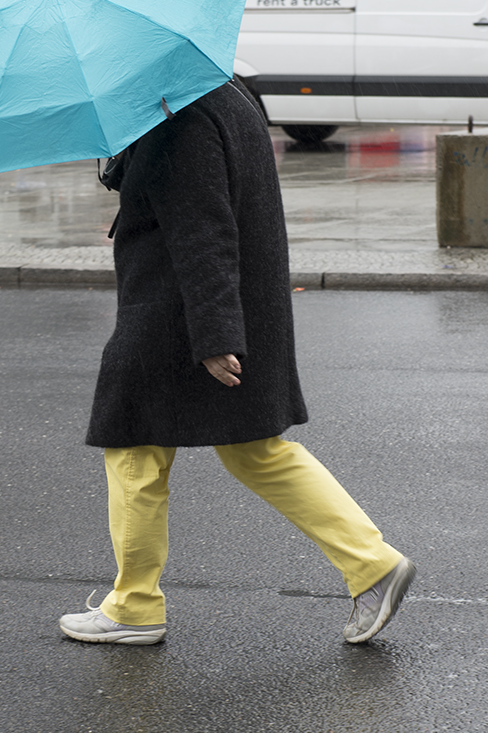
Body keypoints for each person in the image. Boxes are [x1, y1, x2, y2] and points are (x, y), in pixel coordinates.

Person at [59, 78, 415, 647]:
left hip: (177, 313)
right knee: (255, 450)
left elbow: (204, 228)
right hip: (229, 305)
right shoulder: (221, 92)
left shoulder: (178, 116)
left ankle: (134, 606)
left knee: (133, 448)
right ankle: (371, 564)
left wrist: (215, 333)